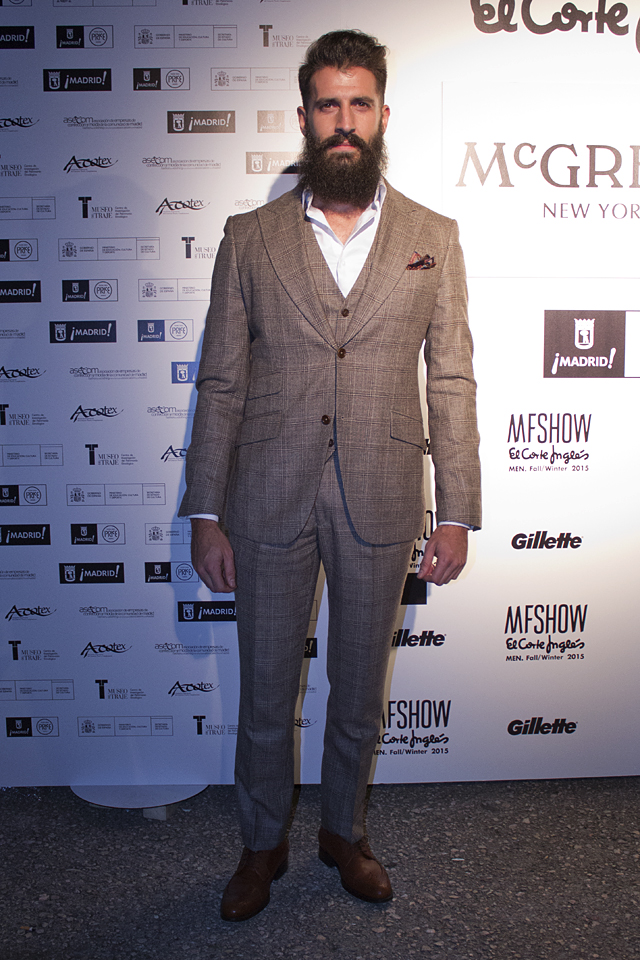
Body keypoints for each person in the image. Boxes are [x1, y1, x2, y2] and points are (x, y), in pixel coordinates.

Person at [179, 29, 481, 921]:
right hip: (265, 498)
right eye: (327, 104)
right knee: (266, 691)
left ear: (382, 114)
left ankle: (344, 833)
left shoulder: (433, 236)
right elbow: (222, 381)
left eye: (359, 104)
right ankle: (261, 841)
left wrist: (457, 509)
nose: (343, 121)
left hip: (382, 494)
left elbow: (451, 377)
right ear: (305, 116)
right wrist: (204, 510)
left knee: (358, 691)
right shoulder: (250, 238)